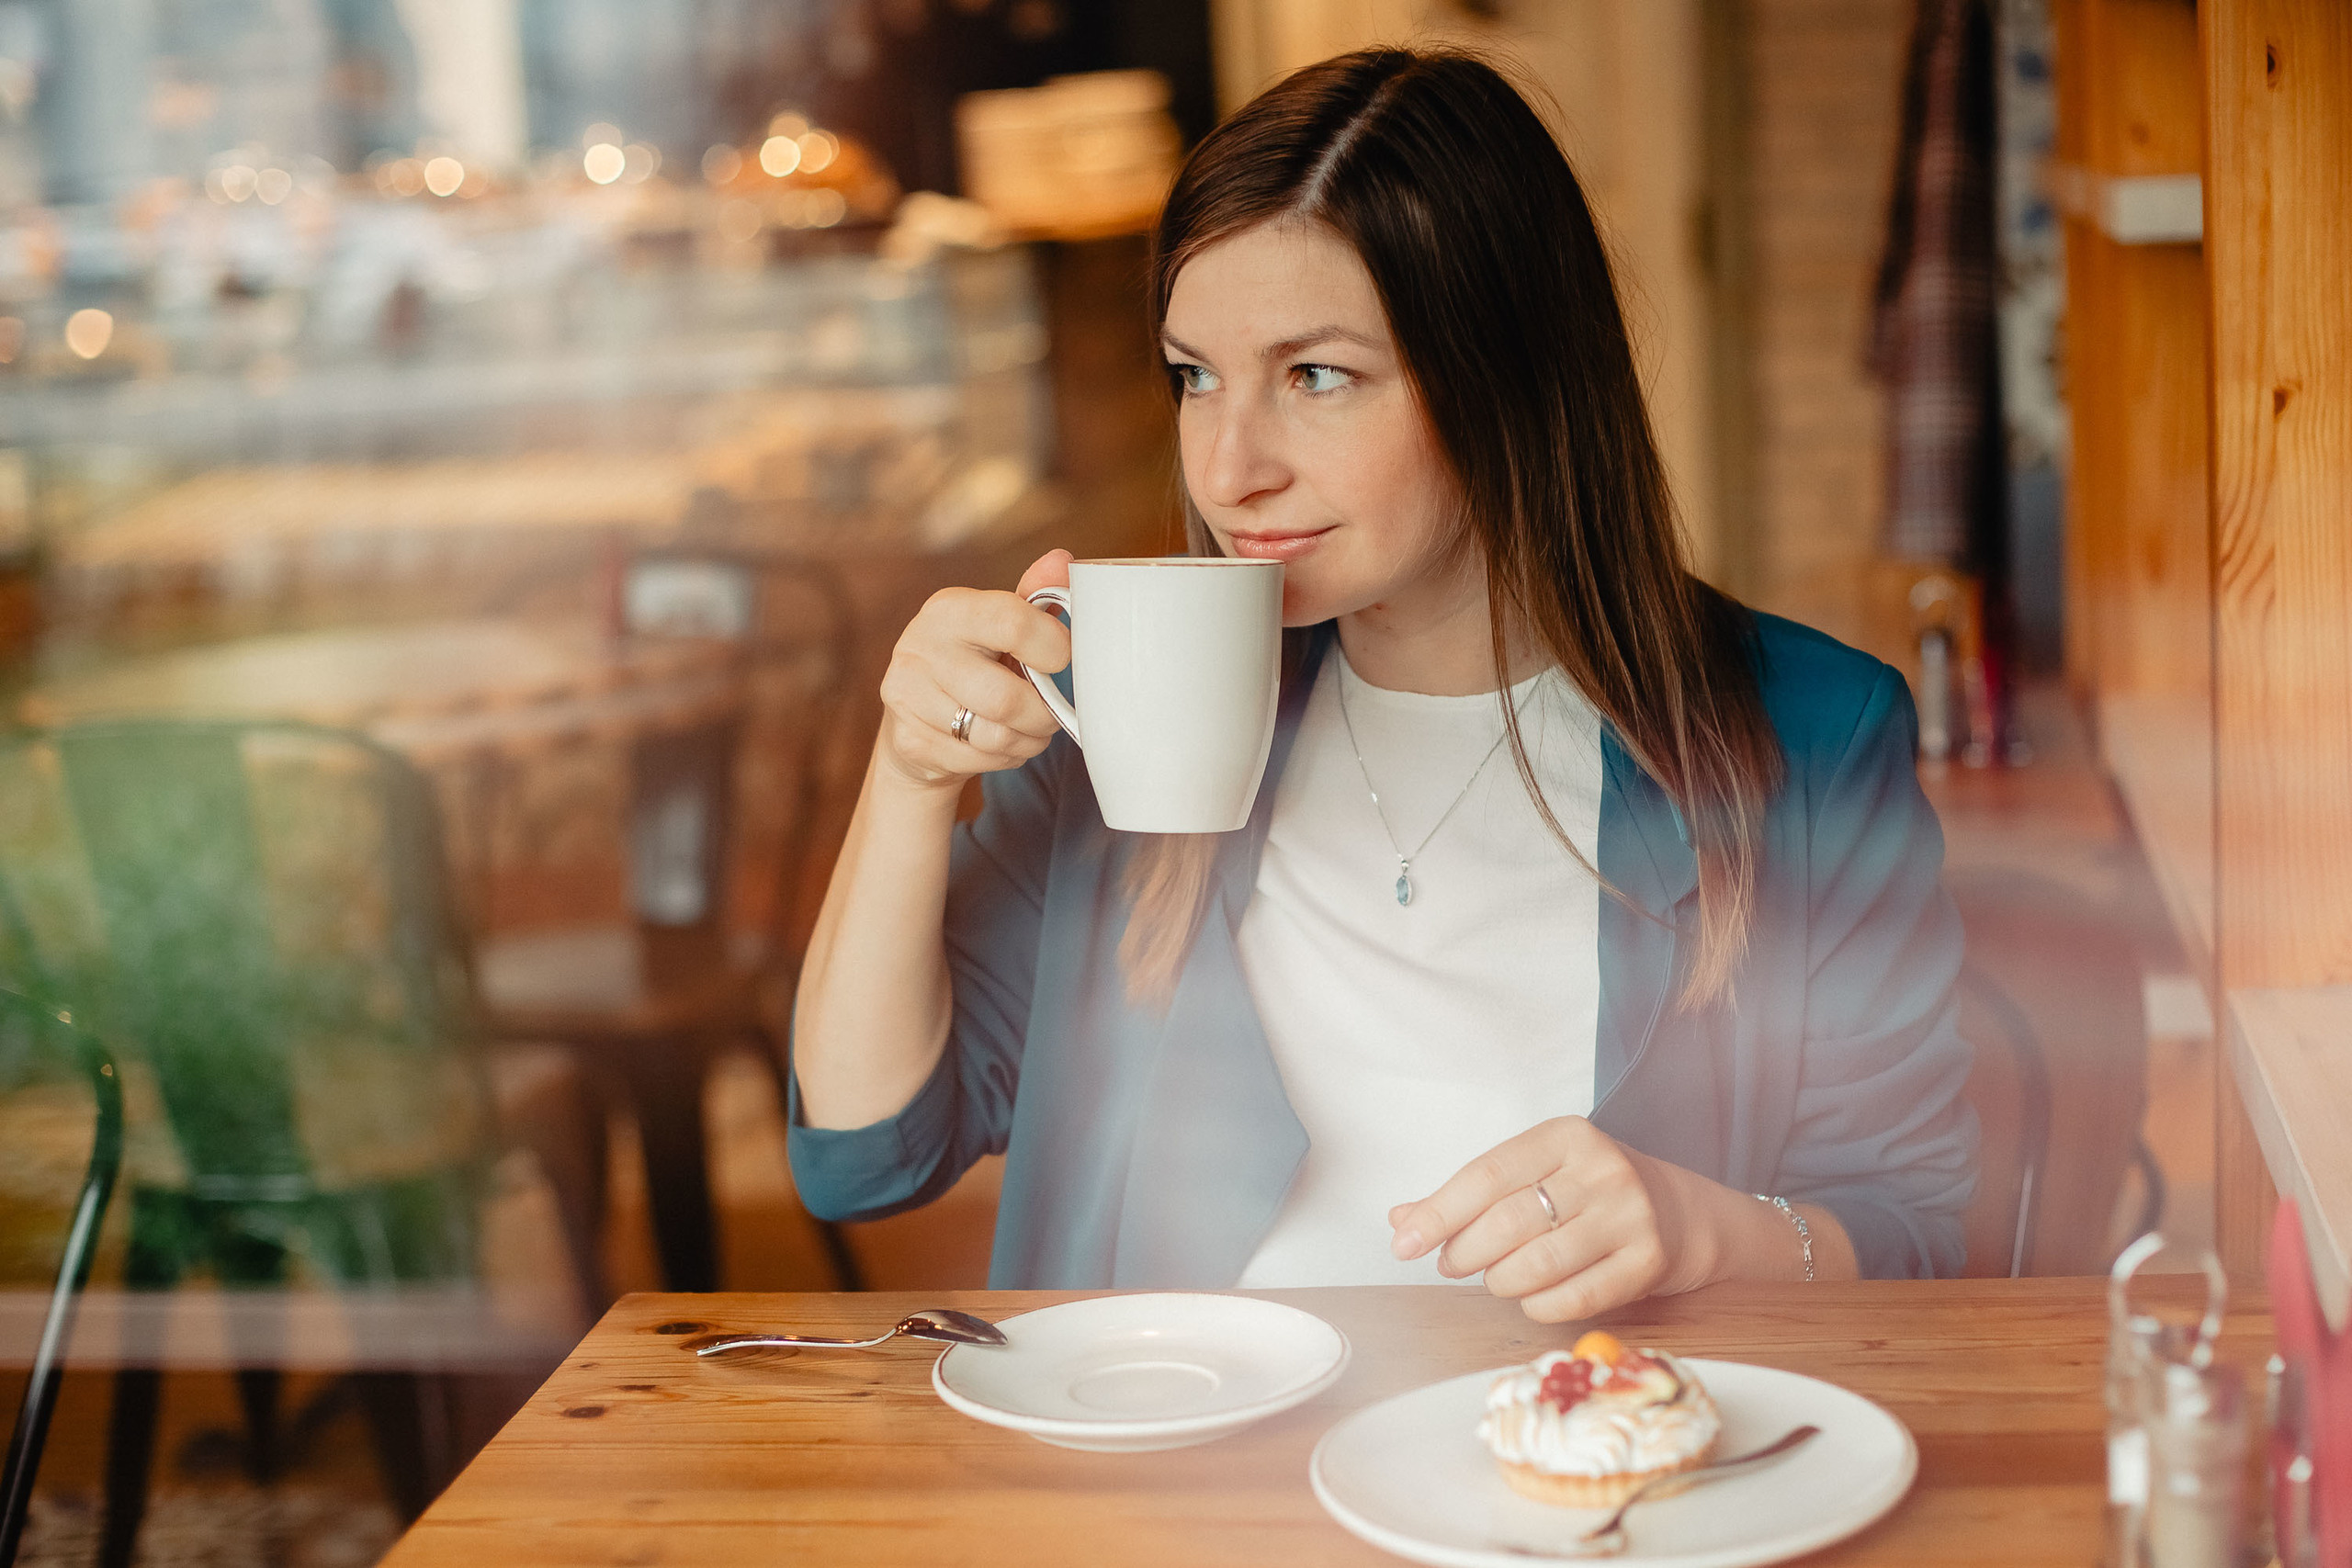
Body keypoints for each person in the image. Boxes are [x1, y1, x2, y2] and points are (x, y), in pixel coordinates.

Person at [788, 48, 1975, 1317]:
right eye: (1197, 376)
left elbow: (1914, 1229)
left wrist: (1704, 1231)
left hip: (1568, 1484)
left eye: (1317, 376)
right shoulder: (1136, 710)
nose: (1229, 467)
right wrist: (911, 777)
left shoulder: (1810, 734)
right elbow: (867, 1156)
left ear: (1508, 380)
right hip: (1165, 1488)